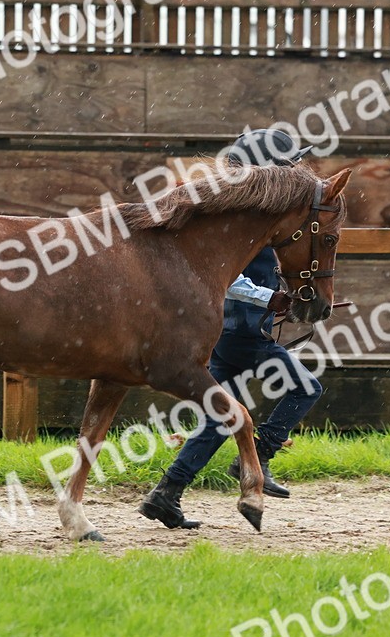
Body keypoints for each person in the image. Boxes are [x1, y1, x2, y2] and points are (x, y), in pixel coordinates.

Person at [138, 129, 324, 529]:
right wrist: (269, 300)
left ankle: (166, 493)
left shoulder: (257, 216)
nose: (296, 173)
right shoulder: (245, 220)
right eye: (290, 166)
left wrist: (283, 299)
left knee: (222, 418)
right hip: (240, 334)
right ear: (270, 170)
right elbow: (230, 280)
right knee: (307, 388)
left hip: (231, 332)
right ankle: (259, 456)